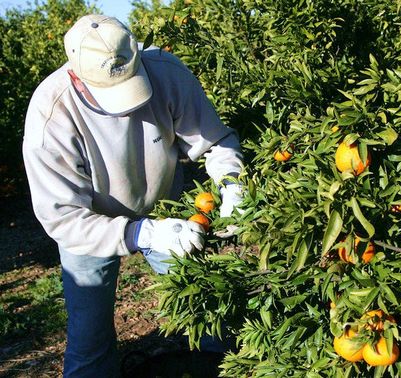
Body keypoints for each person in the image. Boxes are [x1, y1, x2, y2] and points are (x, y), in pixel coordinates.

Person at [22, 14, 243, 377]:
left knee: (207, 311)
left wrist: (232, 183)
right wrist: (141, 233)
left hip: (168, 216)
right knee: (90, 338)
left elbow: (214, 141)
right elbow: (63, 217)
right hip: (88, 229)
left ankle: (228, 369)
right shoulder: (52, 116)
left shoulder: (166, 73)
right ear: (76, 76)